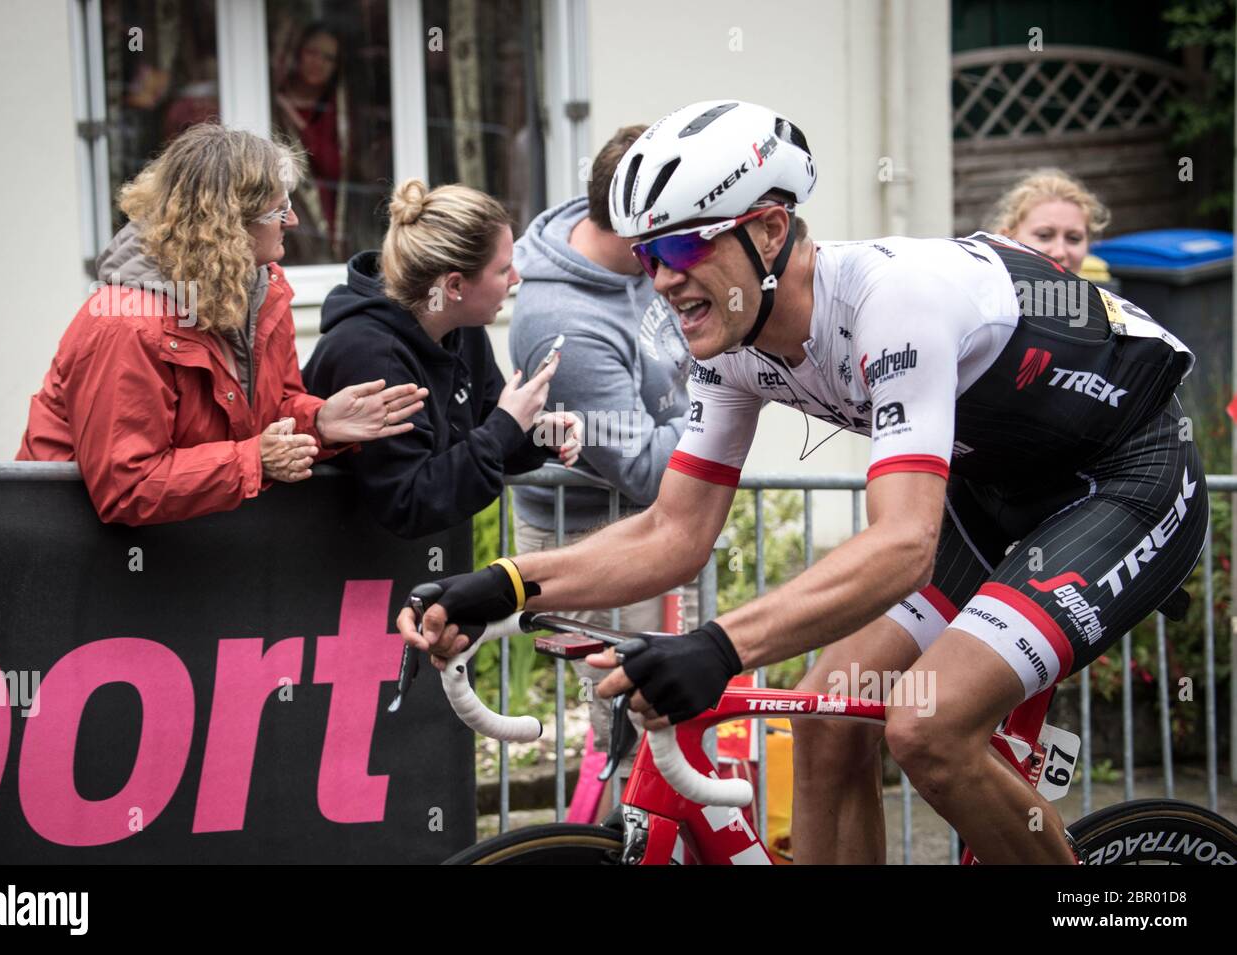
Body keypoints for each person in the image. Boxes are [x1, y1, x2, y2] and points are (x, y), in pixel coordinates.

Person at [398, 100, 1204, 864]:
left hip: (1124, 475)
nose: (663, 280)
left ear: (772, 229)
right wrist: (504, 586)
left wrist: (720, 647)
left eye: (683, 247)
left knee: (926, 723)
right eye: (647, 255)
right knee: (823, 717)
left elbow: (901, 545)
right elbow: (674, 530)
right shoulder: (730, 342)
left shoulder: (895, 301)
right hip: (996, 490)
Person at [18, 124, 424, 526]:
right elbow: (127, 487)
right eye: (278, 210)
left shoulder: (263, 291)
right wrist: (253, 461)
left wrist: (320, 422)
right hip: (70, 549)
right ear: (227, 225)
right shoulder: (126, 324)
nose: (294, 220)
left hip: (185, 548)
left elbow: (269, 411)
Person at [509, 125, 696, 808]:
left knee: (671, 722)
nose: (685, 255)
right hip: (598, 540)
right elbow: (644, 466)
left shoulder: (632, 260)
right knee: (634, 733)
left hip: (659, 526)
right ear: (630, 223)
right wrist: (724, 405)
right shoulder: (565, 323)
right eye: (672, 232)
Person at [303, 179, 581, 540]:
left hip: (416, 565)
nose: (516, 278)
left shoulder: (461, 328)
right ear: (453, 287)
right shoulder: (372, 358)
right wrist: (505, 424)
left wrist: (539, 433)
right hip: (340, 568)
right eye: (502, 270)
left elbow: (485, 444)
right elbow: (409, 501)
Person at [272, 21, 348, 262]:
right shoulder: (271, 106)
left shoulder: (341, 112)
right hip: (293, 224)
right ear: (297, 53)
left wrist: (305, 130)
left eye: (328, 57)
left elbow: (333, 166)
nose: (318, 62)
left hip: (336, 216)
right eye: (312, 52)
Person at [987, 168, 1111, 280]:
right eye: (1044, 235)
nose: (1060, 252)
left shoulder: (1099, 300)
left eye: (1074, 238)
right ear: (1005, 239)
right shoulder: (980, 298)